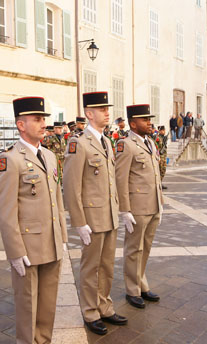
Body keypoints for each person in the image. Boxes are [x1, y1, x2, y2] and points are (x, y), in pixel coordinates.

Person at [0, 96, 67, 344]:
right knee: (28, 306)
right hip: (28, 246)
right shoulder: (10, 159)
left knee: (48, 304)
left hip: (52, 242)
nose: (43, 123)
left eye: (44, 118)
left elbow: (57, 200)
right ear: (21, 124)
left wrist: (63, 238)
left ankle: (43, 340)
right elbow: (5, 210)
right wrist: (14, 251)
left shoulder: (49, 156)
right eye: (37, 119)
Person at [63, 91, 127, 336]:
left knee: (107, 265)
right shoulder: (78, 144)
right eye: (102, 109)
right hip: (91, 219)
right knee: (91, 268)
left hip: (108, 215)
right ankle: (90, 311)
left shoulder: (107, 142)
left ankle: (105, 306)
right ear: (89, 114)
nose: (107, 112)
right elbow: (71, 185)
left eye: (107, 109)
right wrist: (79, 222)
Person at [115, 104, 164, 310]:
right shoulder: (126, 145)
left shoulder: (151, 143)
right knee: (134, 249)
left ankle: (142, 283)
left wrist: (160, 201)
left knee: (146, 248)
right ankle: (132, 289)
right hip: (137, 207)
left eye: (149, 119)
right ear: (133, 124)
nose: (149, 122)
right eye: (145, 120)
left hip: (153, 204)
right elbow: (120, 178)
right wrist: (125, 209)